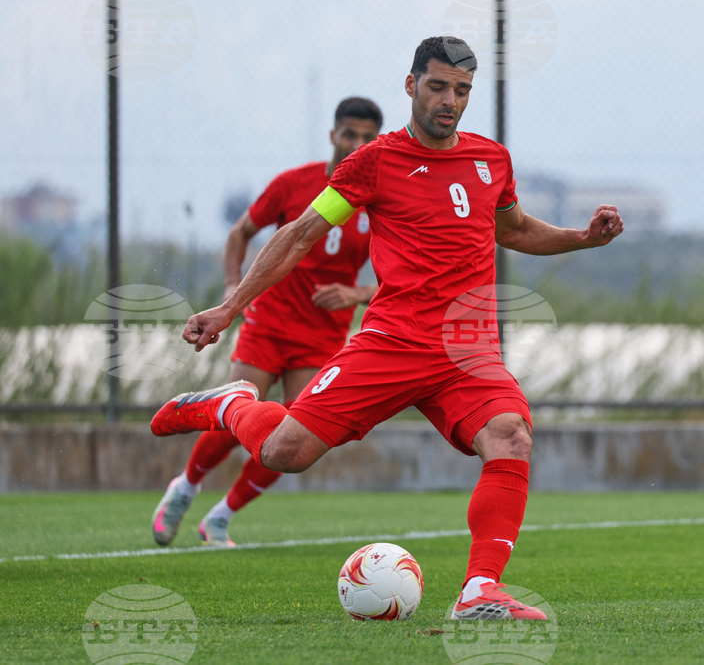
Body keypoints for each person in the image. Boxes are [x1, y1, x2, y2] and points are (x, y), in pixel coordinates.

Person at [150, 36, 624, 620]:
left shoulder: (491, 160)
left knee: (511, 437)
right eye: (438, 86)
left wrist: (583, 238)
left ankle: (479, 590)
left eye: (462, 90)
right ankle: (231, 406)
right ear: (410, 85)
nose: (450, 101)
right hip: (393, 342)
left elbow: (515, 230)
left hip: (467, 352)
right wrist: (229, 308)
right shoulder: (375, 161)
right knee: (284, 453)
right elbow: (299, 236)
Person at [151, 97, 383, 548]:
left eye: (368, 138)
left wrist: (357, 294)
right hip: (269, 322)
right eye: (350, 134)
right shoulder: (293, 184)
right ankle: (185, 488)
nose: (357, 144)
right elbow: (240, 232)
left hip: (323, 335)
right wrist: (232, 290)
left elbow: (402, 277)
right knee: (236, 414)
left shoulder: (379, 197)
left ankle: (220, 517)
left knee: (297, 434)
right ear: (333, 135)